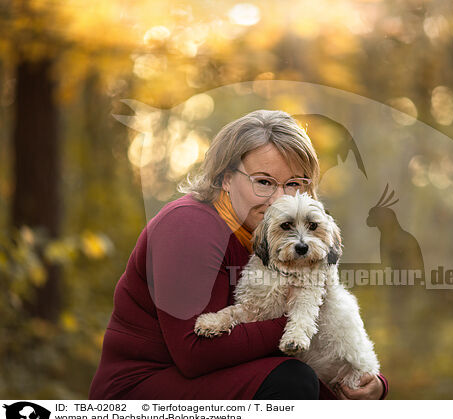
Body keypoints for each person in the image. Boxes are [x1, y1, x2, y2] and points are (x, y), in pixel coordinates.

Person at [88, 109, 389, 400]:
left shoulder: (275, 235)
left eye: (295, 184)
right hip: (143, 390)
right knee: (291, 380)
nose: (279, 199)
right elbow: (194, 354)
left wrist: (367, 382)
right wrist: (303, 313)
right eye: (264, 182)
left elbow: (313, 328)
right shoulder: (189, 226)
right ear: (225, 178)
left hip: (217, 379)